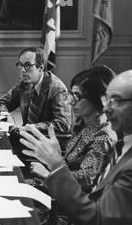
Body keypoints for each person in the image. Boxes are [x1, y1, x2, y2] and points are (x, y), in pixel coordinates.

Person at [20, 69, 132, 225]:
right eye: (107, 99)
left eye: (117, 101)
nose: (107, 108)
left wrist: (56, 167)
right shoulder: (124, 141)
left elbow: (96, 222)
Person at [29, 66, 117, 194]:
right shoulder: (83, 122)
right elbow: (70, 164)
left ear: (96, 99)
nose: (70, 102)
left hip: (73, 201)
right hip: (61, 188)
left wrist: (49, 173)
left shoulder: (103, 135)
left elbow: (86, 179)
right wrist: (55, 158)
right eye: (71, 94)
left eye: (77, 97)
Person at [0, 47, 71, 134]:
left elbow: (63, 124)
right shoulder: (25, 83)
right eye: (20, 65)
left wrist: (31, 127)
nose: (22, 70)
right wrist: (6, 115)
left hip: (46, 141)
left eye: (27, 66)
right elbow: (0, 102)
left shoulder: (57, 89)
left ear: (40, 68)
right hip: (25, 137)